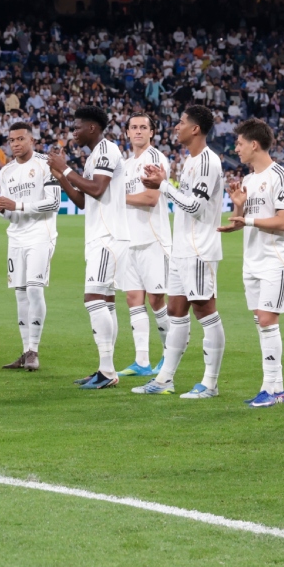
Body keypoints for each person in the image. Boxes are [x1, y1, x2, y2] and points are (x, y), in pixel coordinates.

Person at [131, 103, 225, 398]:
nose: (176, 126)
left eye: (182, 122)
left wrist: (163, 186)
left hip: (200, 249)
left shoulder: (208, 162)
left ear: (195, 129)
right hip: (182, 248)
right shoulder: (190, 160)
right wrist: (163, 183)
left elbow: (196, 207)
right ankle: (164, 380)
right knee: (175, 311)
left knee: (205, 311)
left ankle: (210, 383)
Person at [221, 120, 284, 408]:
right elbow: (246, 221)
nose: (236, 149)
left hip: (275, 261)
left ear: (254, 145)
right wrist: (239, 207)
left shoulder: (281, 177)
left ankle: (274, 390)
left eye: (239, 144)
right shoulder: (249, 180)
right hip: (252, 261)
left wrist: (248, 218)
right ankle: (273, 388)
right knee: (261, 322)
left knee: (267, 320)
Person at [47, 106, 124, 390]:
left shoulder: (107, 150)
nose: (73, 132)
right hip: (99, 235)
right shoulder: (94, 155)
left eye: (77, 127)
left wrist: (66, 166)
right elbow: (82, 201)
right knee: (105, 301)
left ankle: (107, 371)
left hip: (108, 236)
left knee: (93, 299)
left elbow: (96, 189)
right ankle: (106, 369)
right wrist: (61, 177)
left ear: (92, 128)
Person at [0, 121, 59, 371]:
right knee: (20, 293)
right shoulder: (6, 172)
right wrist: (0, 209)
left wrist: (16, 206)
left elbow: (53, 203)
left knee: (34, 289)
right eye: (11, 140)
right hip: (16, 237)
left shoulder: (45, 165)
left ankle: (34, 350)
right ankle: (25, 351)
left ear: (32, 140)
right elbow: (9, 211)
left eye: (20, 139)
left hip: (41, 234)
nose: (16, 144)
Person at [115, 112, 170, 378]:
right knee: (133, 299)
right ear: (127, 133)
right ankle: (142, 361)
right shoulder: (125, 166)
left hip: (152, 240)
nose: (137, 131)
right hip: (130, 241)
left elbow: (150, 198)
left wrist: (118, 198)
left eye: (143, 127)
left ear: (151, 132)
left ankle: (168, 357)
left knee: (157, 299)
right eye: (133, 127)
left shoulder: (155, 158)